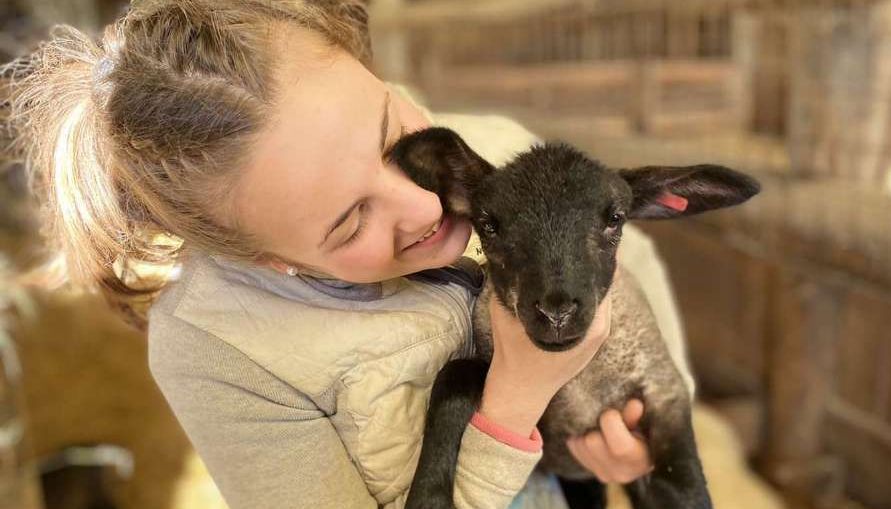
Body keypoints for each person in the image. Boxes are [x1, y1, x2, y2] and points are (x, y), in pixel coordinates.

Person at [6, 1, 695, 507]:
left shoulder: (495, 155)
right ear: (267, 259)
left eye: (393, 133)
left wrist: (636, 444)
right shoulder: (217, 348)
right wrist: (515, 404)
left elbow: (641, 308)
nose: (428, 205)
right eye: (347, 224)